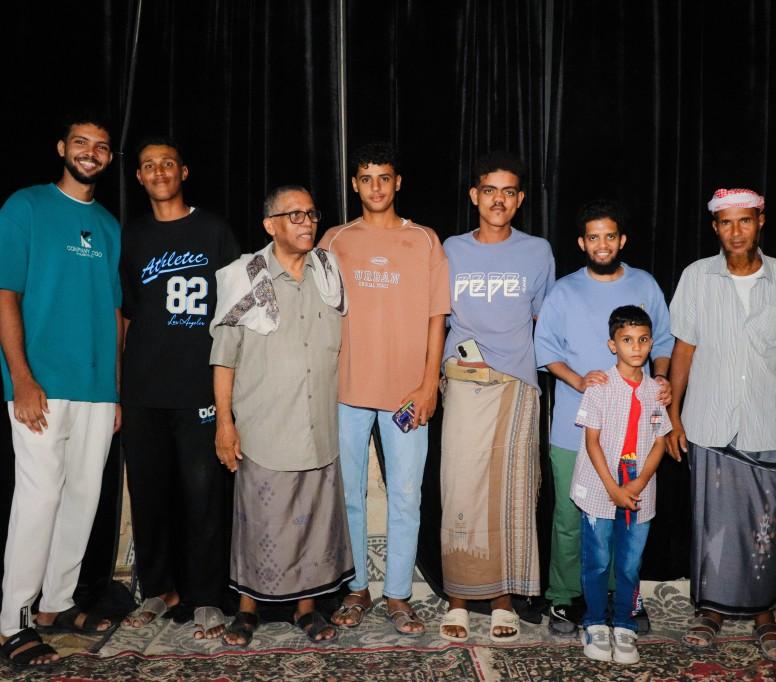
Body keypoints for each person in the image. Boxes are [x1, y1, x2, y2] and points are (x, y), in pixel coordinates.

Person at [0, 115, 121, 669]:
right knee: (38, 499)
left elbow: (116, 313)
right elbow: (6, 294)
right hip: (39, 384)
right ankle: (13, 625)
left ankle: (56, 606)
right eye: (81, 143)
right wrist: (21, 378)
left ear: (108, 158)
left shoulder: (108, 225)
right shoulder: (26, 207)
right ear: (63, 148)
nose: (91, 153)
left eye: (101, 147)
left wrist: (115, 390)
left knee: (82, 499)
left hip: (97, 388)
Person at [666, 188, 776, 662]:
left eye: (744, 221)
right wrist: (672, 416)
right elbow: (683, 351)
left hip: (766, 423)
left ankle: (765, 614)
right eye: (726, 222)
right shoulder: (696, 277)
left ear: (760, 221)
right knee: (713, 525)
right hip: (709, 421)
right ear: (715, 227)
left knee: (765, 524)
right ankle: (709, 611)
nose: (736, 231)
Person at [209, 185, 353, 646]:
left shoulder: (328, 271)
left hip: (317, 425)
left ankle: (306, 610)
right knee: (260, 524)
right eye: (295, 215)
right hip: (264, 427)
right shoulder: (243, 276)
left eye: (311, 214)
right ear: (270, 225)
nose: (307, 223)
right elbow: (224, 358)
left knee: (311, 524)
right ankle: (246, 611)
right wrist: (225, 424)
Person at [318, 143, 450, 635]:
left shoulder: (424, 240)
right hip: (345, 390)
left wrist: (429, 384)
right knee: (347, 494)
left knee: (407, 495)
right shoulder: (335, 239)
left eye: (384, 177)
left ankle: (398, 594)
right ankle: (357, 588)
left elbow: (438, 317)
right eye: (367, 178)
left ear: (398, 183)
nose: (376, 187)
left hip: (407, 395)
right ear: (355, 185)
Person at [119, 137, 240, 639]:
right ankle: (158, 590)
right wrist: (118, 386)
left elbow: (236, 313)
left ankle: (206, 595)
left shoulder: (213, 230)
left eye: (167, 163)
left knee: (203, 496)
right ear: (139, 177)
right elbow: (125, 314)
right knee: (148, 495)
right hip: (143, 389)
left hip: (199, 389)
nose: (159, 171)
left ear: (183, 171)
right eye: (149, 165)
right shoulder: (132, 236)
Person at [534, 199, 674, 634]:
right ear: (582, 243)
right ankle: (563, 597)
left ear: (621, 240)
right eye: (593, 237)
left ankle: (621, 597)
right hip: (573, 430)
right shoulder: (564, 291)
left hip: (633, 433)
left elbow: (664, 342)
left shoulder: (645, 284)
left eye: (609, 236)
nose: (602, 244)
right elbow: (545, 350)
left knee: (625, 517)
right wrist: (577, 380)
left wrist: (662, 379)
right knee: (570, 518)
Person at [438, 151, 555, 643]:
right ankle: (459, 597)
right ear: (475, 196)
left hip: (516, 386)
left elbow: (545, 320)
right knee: (459, 488)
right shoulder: (451, 249)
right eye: (490, 190)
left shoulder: (538, 251)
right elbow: (436, 318)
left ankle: (505, 597)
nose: (499, 200)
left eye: (509, 192)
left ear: (520, 199)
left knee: (513, 493)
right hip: (465, 383)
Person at [571, 305, 672, 664]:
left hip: (640, 486)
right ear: (612, 345)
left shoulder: (656, 391)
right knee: (598, 561)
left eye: (643, 340)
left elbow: (660, 441)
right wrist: (614, 489)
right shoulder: (599, 388)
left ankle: (625, 625)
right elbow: (592, 442)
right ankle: (595, 622)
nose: (636, 347)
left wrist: (640, 481)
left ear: (651, 343)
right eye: (627, 340)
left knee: (630, 563)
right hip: (601, 483)